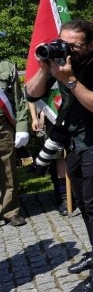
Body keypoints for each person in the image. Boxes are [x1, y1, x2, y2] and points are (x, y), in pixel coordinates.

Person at [25, 19, 93, 292]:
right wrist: (45, 69)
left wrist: (69, 78)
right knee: (82, 202)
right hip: (74, 140)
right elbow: (31, 93)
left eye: (75, 45)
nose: (68, 49)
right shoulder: (61, 59)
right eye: (64, 42)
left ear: (91, 43)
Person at [1, 55, 29, 227]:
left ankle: (10, 211)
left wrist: (22, 128)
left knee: (7, 170)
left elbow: (19, 100)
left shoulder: (6, 67)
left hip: (3, 126)